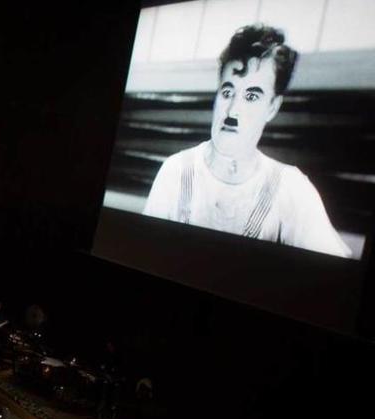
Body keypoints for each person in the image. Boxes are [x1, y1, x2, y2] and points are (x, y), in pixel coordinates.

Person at [142, 24, 351, 258]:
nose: (232, 111)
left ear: (272, 107)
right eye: (228, 92)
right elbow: (145, 255)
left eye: (251, 96)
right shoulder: (176, 171)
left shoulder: (291, 188)